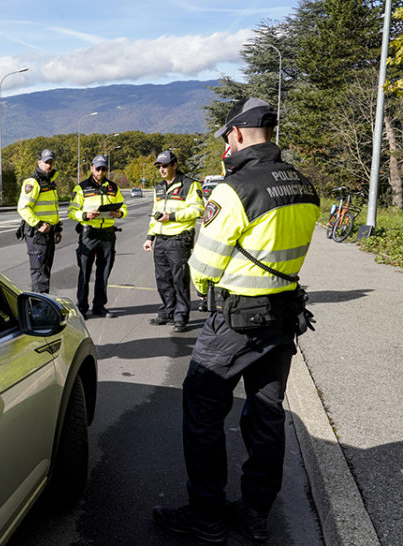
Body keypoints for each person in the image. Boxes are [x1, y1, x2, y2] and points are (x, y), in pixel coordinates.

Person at [153, 98, 319, 543]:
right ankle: (255, 514)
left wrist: (210, 289)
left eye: (227, 137)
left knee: (203, 411)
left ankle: (206, 515)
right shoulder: (303, 184)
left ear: (239, 134)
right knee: (265, 417)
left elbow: (203, 267)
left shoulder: (234, 188)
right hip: (284, 317)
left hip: (235, 321)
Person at [143, 150, 204, 332]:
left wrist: (173, 216)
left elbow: (198, 210)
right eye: (159, 166)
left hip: (178, 239)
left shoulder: (190, 185)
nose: (162, 169)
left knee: (179, 279)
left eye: (165, 166)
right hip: (161, 239)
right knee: (163, 279)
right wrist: (150, 237)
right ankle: (167, 312)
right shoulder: (159, 187)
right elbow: (155, 214)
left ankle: (181, 316)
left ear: (174, 165)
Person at [67, 154, 127, 318]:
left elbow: (124, 207)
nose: (101, 171)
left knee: (104, 272)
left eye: (104, 169)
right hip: (89, 233)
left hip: (107, 235)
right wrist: (85, 215)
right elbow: (71, 212)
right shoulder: (81, 188)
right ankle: (82, 307)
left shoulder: (113, 187)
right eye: (98, 168)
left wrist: (119, 213)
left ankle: (99, 306)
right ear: (92, 168)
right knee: (85, 272)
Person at [17, 148, 63, 293]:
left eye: (51, 162)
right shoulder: (33, 182)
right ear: (39, 162)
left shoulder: (50, 182)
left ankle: (44, 305)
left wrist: (58, 228)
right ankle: (38, 310)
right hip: (38, 234)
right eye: (46, 162)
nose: (49, 165)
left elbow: (52, 209)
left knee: (45, 270)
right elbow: (23, 207)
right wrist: (38, 224)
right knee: (39, 273)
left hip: (49, 232)